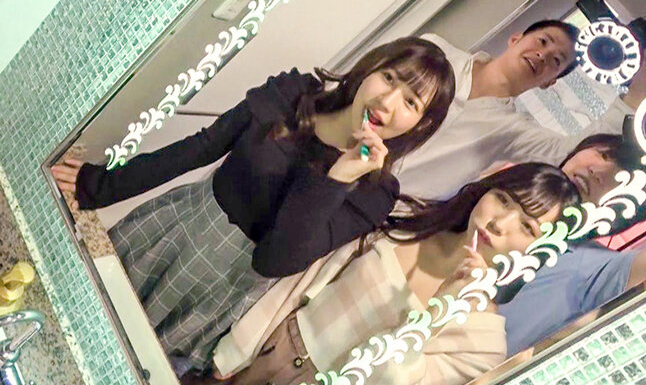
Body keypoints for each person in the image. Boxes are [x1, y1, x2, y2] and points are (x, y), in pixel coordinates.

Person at [50, 37, 455, 373]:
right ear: (370, 68)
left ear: (420, 124)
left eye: (411, 102)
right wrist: (98, 186)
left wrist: (337, 180)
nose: (388, 100)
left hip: (220, 290)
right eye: (389, 77)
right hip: (174, 227)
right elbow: (201, 147)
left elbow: (274, 260)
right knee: (67, 311)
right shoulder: (293, 94)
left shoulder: (374, 193)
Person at [200, 163, 580, 385]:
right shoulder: (409, 222)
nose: (500, 223)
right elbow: (305, 282)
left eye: (527, 227)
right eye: (503, 199)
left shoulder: (485, 342)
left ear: (541, 250)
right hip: (266, 351)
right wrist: (236, 349)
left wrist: (439, 314)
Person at [498, 134, 646, 356]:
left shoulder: (592, 268)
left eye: (623, 176)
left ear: (624, 213)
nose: (597, 172)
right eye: (604, 155)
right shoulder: (499, 191)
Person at [395, 20, 646, 200]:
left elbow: (574, 151)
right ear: (515, 39)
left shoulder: (512, 131)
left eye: (556, 60)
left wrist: (636, 95)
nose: (542, 55)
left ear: (550, 82)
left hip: (389, 210)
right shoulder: (437, 52)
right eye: (543, 41)